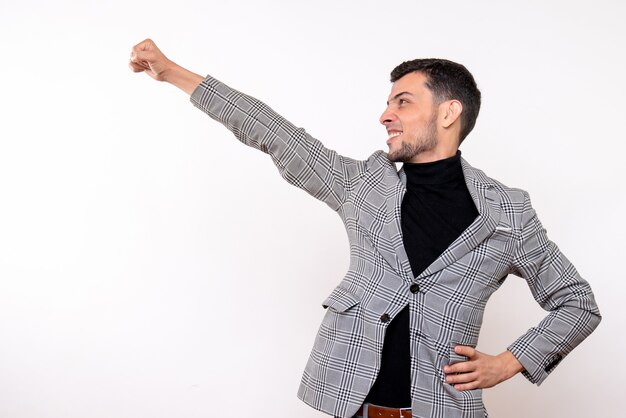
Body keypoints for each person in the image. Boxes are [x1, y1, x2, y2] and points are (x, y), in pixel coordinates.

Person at [128, 39, 601, 418]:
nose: (385, 115)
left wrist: (509, 362)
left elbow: (577, 303)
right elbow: (273, 132)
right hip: (349, 404)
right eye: (387, 102)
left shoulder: (508, 212)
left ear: (449, 112)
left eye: (403, 101)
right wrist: (173, 73)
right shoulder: (363, 185)